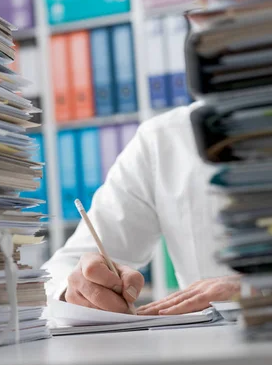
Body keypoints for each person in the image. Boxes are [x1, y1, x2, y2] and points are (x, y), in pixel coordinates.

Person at [42, 103, 240, 315]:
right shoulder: (163, 139)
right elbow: (64, 267)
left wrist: (266, 287)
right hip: (213, 344)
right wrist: (78, 289)